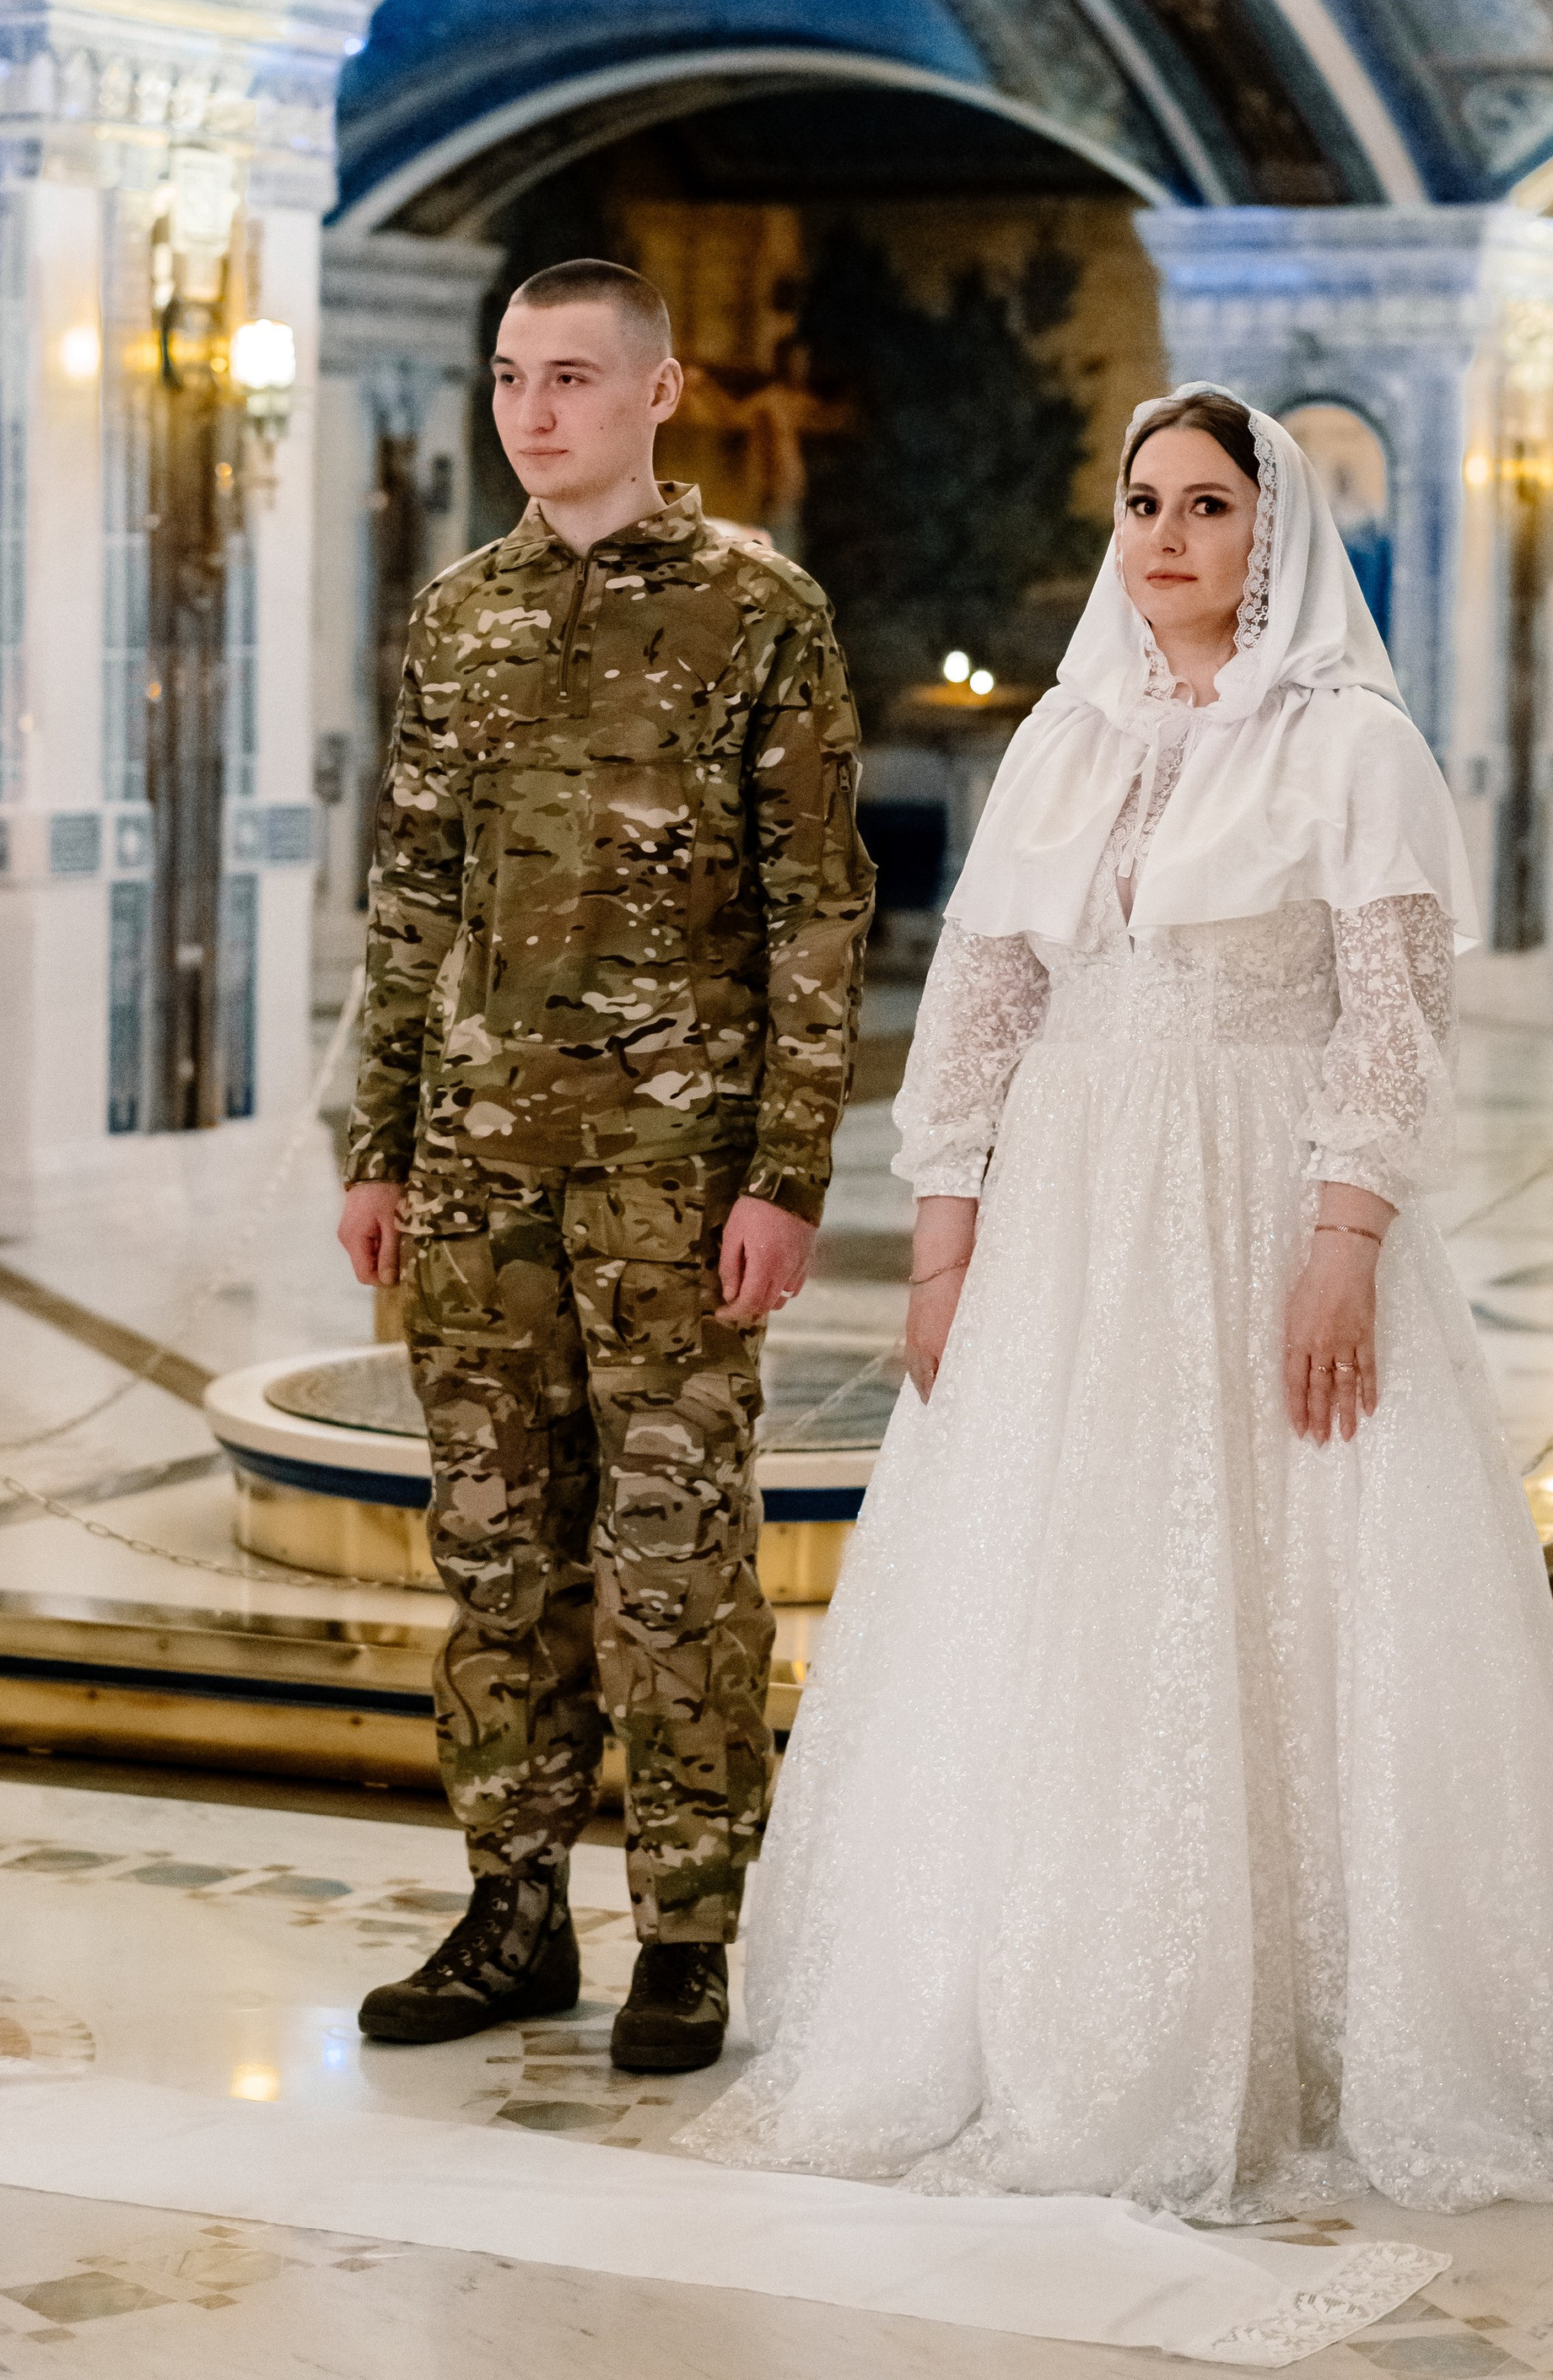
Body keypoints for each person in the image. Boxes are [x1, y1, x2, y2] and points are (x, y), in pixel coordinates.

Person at [686, 384, 1553, 2259]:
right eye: (1142, 502)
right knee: (1067, 1581)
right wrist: (943, 1231)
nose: (1162, 536)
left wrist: (1340, 1231)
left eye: (1205, 504)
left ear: (1272, 533)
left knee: (1286, 1564)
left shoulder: (1347, 745)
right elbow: (983, 991)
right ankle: (1036, 1999)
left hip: (1256, 1194)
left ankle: (1311, 2020)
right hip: (1072, 1207)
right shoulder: (1066, 739)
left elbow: (1393, 1014)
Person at [339, 258, 874, 2074]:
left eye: (570, 376)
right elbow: (409, 891)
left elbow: (818, 909)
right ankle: (507, 1911)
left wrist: (786, 1167)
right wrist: (376, 1139)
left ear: (659, 391)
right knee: (495, 1548)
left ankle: (685, 1929)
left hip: (671, 1166)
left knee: (672, 1550)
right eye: (507, 375)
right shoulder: (460, 615)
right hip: (478, 1166)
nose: (532, 409)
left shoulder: (756, 613)